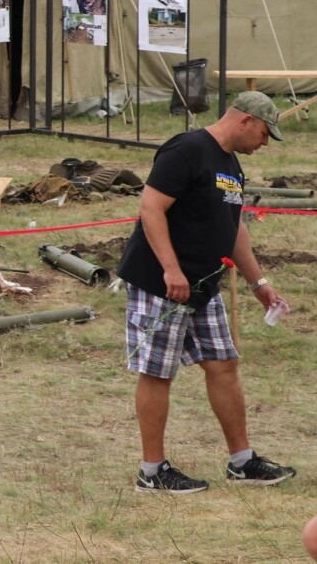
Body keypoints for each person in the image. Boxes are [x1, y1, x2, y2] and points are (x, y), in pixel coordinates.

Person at [119, 91, 295, 493]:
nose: (265, 143)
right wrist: (170, 269)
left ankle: (242, 462)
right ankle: (152, 471)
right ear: (245, 120)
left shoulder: (232, 166)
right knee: (157, 371)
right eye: (266, 134)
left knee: (223, 365)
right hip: (162, 282)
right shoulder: (188, 149)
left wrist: (259, 284)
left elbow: (233, 229)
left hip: (202, 283)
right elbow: (150, 207)